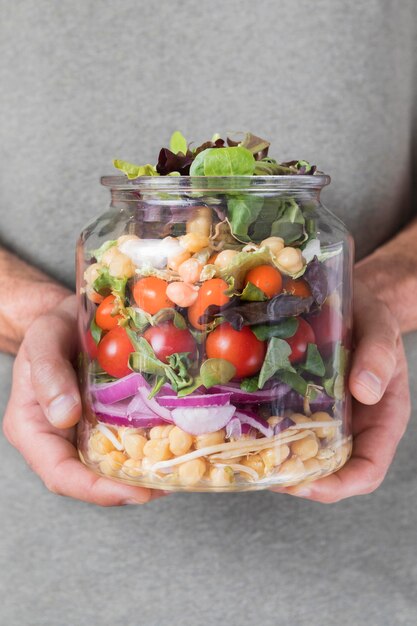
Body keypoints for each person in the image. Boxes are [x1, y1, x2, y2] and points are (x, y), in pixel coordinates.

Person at [1, 1, 416, 624]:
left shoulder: (302, 251)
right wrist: (24, 307)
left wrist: (377, 291)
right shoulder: (121, 246)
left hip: (374, 555)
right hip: (34, 556)